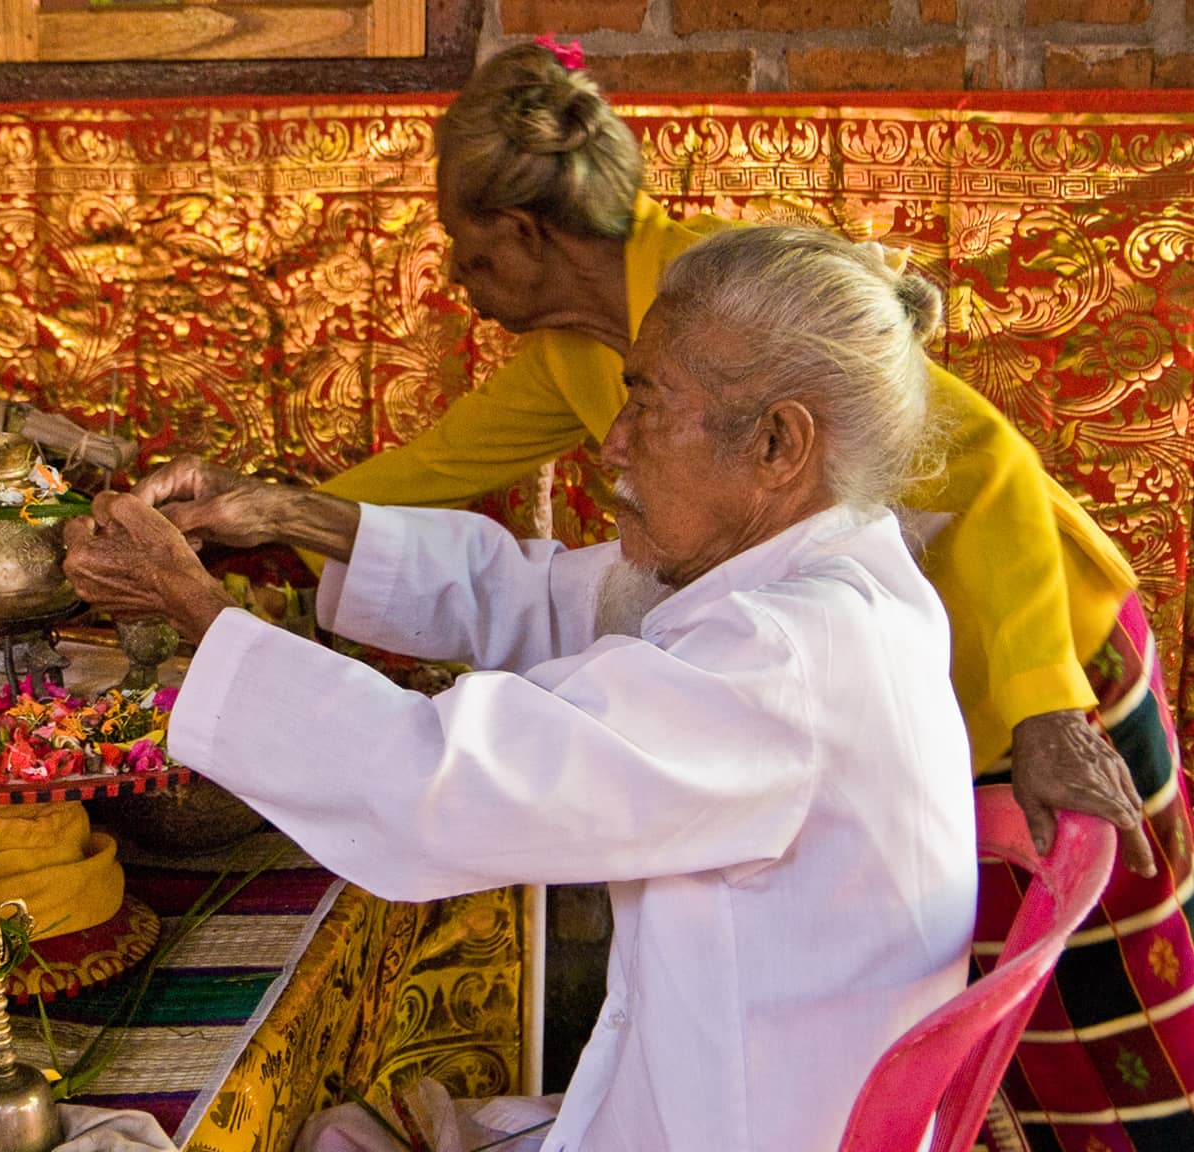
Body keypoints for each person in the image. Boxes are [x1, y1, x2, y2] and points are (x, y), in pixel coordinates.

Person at [312, 41, 1192, 1149]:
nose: (454, 278)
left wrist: (1043, 706)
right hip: (903, 693)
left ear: (526, 236)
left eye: (467, 248)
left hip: (1046, 657)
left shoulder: (734, 299)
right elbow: (415, 481)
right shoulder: (577, 360)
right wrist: (250, 523)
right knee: (983, 1012)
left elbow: (1000, 473)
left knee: (1119, 1026)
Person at [64, 227, 979, 1152]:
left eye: (645, 403)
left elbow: (443, 786)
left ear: (779, 442)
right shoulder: (824, 581)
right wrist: (285, 509)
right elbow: (536, 594)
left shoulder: (781, 663)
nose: (610, 446)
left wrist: (189, 603)